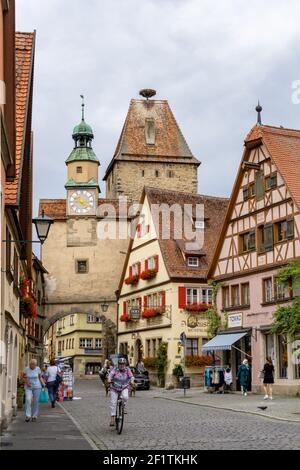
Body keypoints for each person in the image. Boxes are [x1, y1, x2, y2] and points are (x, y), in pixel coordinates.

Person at [107, 357, 134, 426]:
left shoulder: (127, 370)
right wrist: (109, 380)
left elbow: (131, 376)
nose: (122, 365)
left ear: (125, 364)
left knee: (125, 397)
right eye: (120, 364)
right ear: (118, 364)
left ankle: (123, 406)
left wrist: (132, 381)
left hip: (124, 387)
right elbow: (110, 375)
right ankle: (112, 418)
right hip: (114, 388)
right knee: (113, 402)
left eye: (123, 364)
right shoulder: (115, 369)